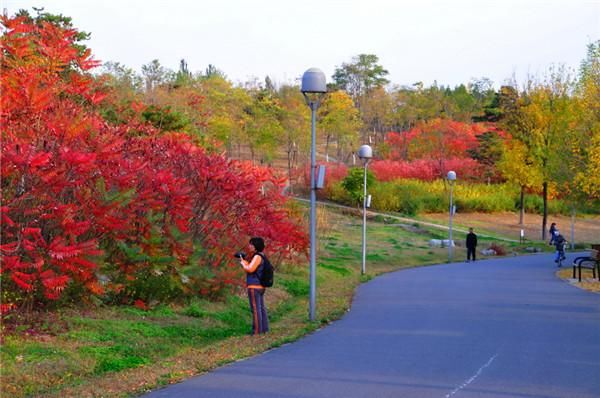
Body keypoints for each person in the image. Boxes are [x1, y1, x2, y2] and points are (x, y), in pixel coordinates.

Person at [239, 237, 269, 335]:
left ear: (256, 246)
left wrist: (243, 263)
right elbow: (253, 268)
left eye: (251, 244)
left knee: (256, 309)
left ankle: (257, 331)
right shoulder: (262, 256)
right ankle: (264, 329)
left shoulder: (257, 257)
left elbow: (250, 269)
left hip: (254, 286)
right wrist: (245, 261)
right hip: (260, 286)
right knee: (261, 308)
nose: (249, 246)